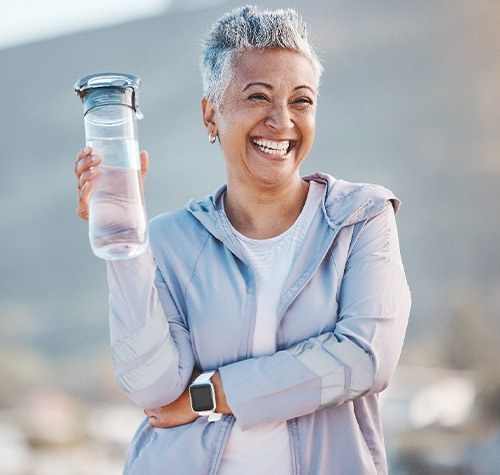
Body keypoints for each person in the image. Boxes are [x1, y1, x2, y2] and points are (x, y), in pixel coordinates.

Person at [74, 5, 410, 474]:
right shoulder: (169, 239)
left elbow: (365, 357)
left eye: (301, 100)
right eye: (258, 96)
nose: (282, 120)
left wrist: (209, 395)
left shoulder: (359, 218)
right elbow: (151, 388)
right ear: (211, 115)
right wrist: (124, 239)